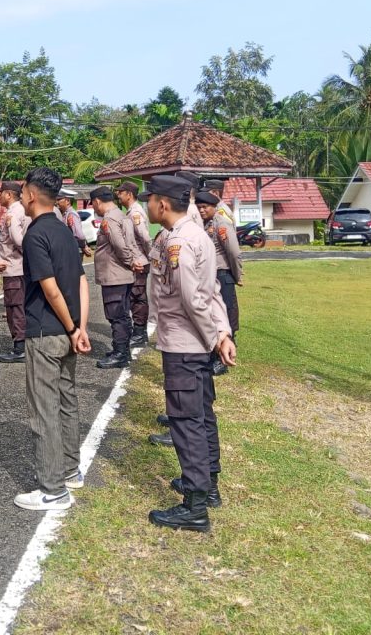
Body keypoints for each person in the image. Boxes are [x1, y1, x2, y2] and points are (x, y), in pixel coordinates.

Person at [143, 175, 236, 532]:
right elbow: (212, 292)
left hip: (185, 343)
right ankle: (207, 486)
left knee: (186, 423)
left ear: (162, 204)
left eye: (149, 199)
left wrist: (215, 338)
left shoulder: (179, 241)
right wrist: (223, 332)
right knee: (200, 414)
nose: (146, 205)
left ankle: (195, 505)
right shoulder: (197, 234)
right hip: (197, 340)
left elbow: (192, 299)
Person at [14, 167, 93, 511]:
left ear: (32, 194)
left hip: (46, 332)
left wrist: (74, 327)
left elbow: (51, 289)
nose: (20, 196)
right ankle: (71, 470)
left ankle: (52, 488)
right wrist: (80, 327)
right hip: (68, 331)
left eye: (22, 191)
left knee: (44, 408)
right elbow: (81, 282)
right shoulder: (64, 229)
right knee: (67, 401)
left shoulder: (35, 234)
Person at [90, 185, 140, 369]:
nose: (94, 208)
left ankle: (120, 354)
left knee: (117, 315)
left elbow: (119, 245)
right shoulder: (121, 215)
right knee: (122, 314)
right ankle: (122, 350)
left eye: (93, 204)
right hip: (122, 274)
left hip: (115, 274)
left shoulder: (109, 219)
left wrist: (129, 261)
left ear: (96, 202)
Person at [196, 190, 243, 376]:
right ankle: (215, 351)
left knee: (225, 314)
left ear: (214, 208)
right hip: (209, 277)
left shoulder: (221, 224)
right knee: (211, 315)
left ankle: (223, 359)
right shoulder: (204, 224)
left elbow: (233, 252)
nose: (201, 211)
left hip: (222, 275)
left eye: (205, 207)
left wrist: (237, 276)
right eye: (199, 207)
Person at [116, 181, 153, 348]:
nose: (118, 195)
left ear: (129, 194)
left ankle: (140, 332)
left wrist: (148, 256)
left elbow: (145, 238)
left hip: (140, 260)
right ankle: (138, 330)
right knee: (134, 296)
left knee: (138, 297)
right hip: (136, 260)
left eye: (120, 192)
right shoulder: (130, 211)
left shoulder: (135, 213)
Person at [0, 181, 30, 363]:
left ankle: (20, 348)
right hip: (20, 267)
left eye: (1, 193)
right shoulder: (22, 210)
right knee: (20, 307)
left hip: (14, 268)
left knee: (15, 308)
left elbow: (19, 240)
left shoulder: (12, 213)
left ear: (8, 195)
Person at [56, 189, 91, 258]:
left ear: (68, 201)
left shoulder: (71, 215)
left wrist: (83, 246)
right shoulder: (64, 214)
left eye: (59, 199)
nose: (56, 202)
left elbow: (80, 235)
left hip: (74, 251)